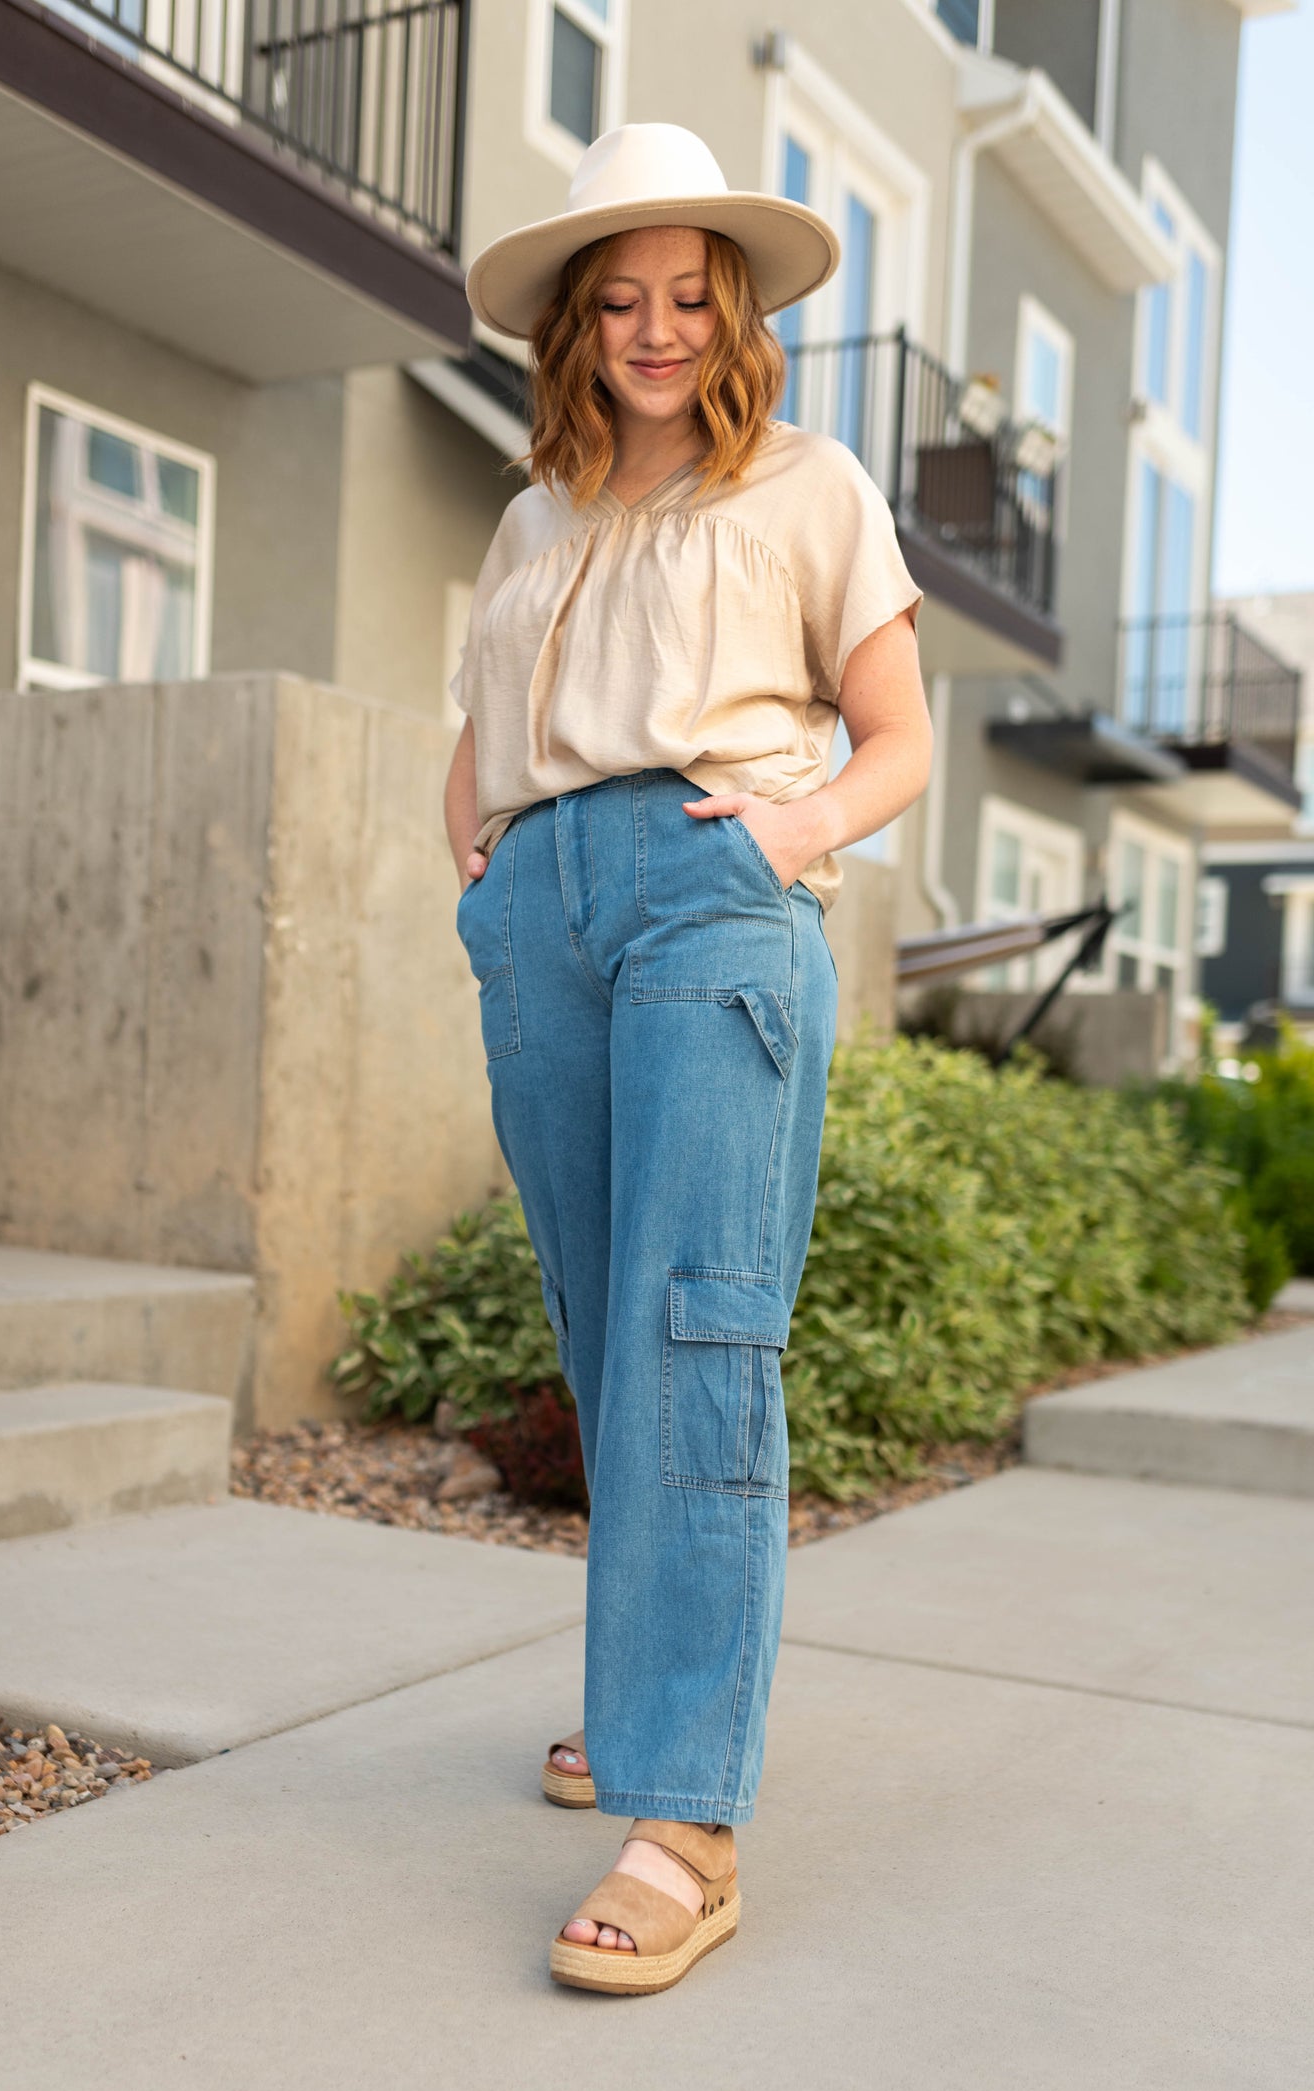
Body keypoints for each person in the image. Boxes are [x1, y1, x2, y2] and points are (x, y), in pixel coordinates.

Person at [443, 122, 932, 1996]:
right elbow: (481, 705)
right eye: (621, 299)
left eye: (687, 294)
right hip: (542, 916)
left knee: (692, 1327)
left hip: (712, 896)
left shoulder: (813, 484)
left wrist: (777, 841)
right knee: (597, 1317)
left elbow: (892, 738)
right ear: (581, 328)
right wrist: (475, 858)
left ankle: (686, 1813)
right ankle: (644, 1698)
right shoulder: (531, 512)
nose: (655, 327)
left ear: (734, 312)